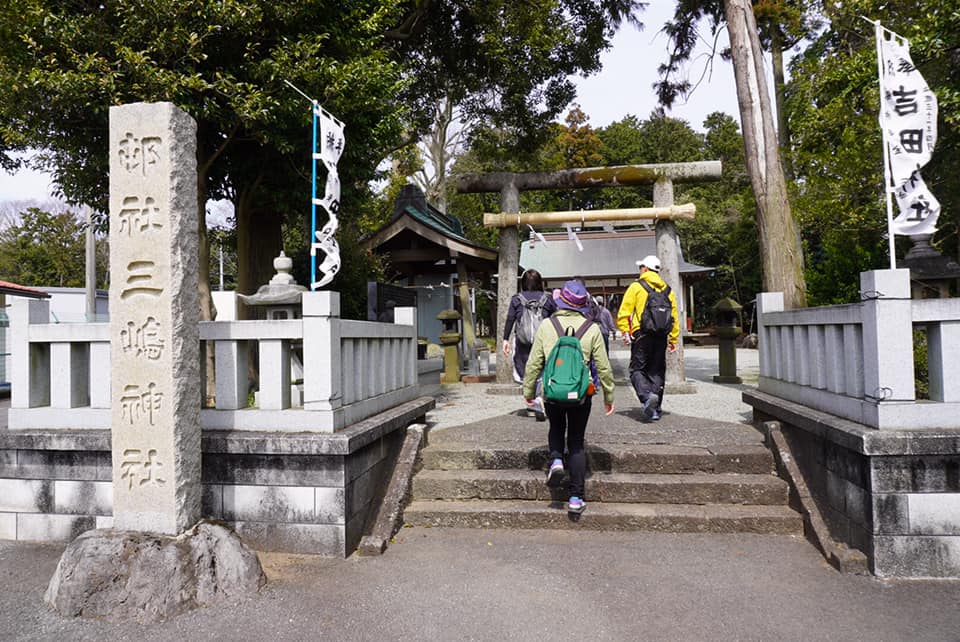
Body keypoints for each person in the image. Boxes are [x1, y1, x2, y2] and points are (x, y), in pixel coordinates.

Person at [523, 280, 615, 514]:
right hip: (581, 393)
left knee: (555, 427)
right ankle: (576, 498)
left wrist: (529, 391)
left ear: (561, 301)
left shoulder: (546, 325)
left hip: (552, 391)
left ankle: (555, 460)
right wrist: (609, 395)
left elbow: (534, 362)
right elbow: (603, 366)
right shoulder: (591, 328)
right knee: (576, 442)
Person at [616, 255, 680, 421]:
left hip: (642, 335)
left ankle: (646, 397)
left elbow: (625, 312)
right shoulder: (667, 290)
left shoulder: (637, 286)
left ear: (645, 269)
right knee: (657, 371)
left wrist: (625, 331)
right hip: (661, 336)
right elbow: (674, 316)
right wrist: (673, 339)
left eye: (641, 267)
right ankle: (655, 409)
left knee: (637, 369)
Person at [502, 269, 557, 382]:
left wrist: (505, 339)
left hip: (522, 340)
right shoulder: (548, 298)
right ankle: (539, 388)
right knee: (542, 367)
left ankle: (527, 387)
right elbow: (555, 319)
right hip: (543, 340)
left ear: (523, 283)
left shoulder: (516, 299)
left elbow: (510, 319)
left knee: (523, 366)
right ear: (539, 282)